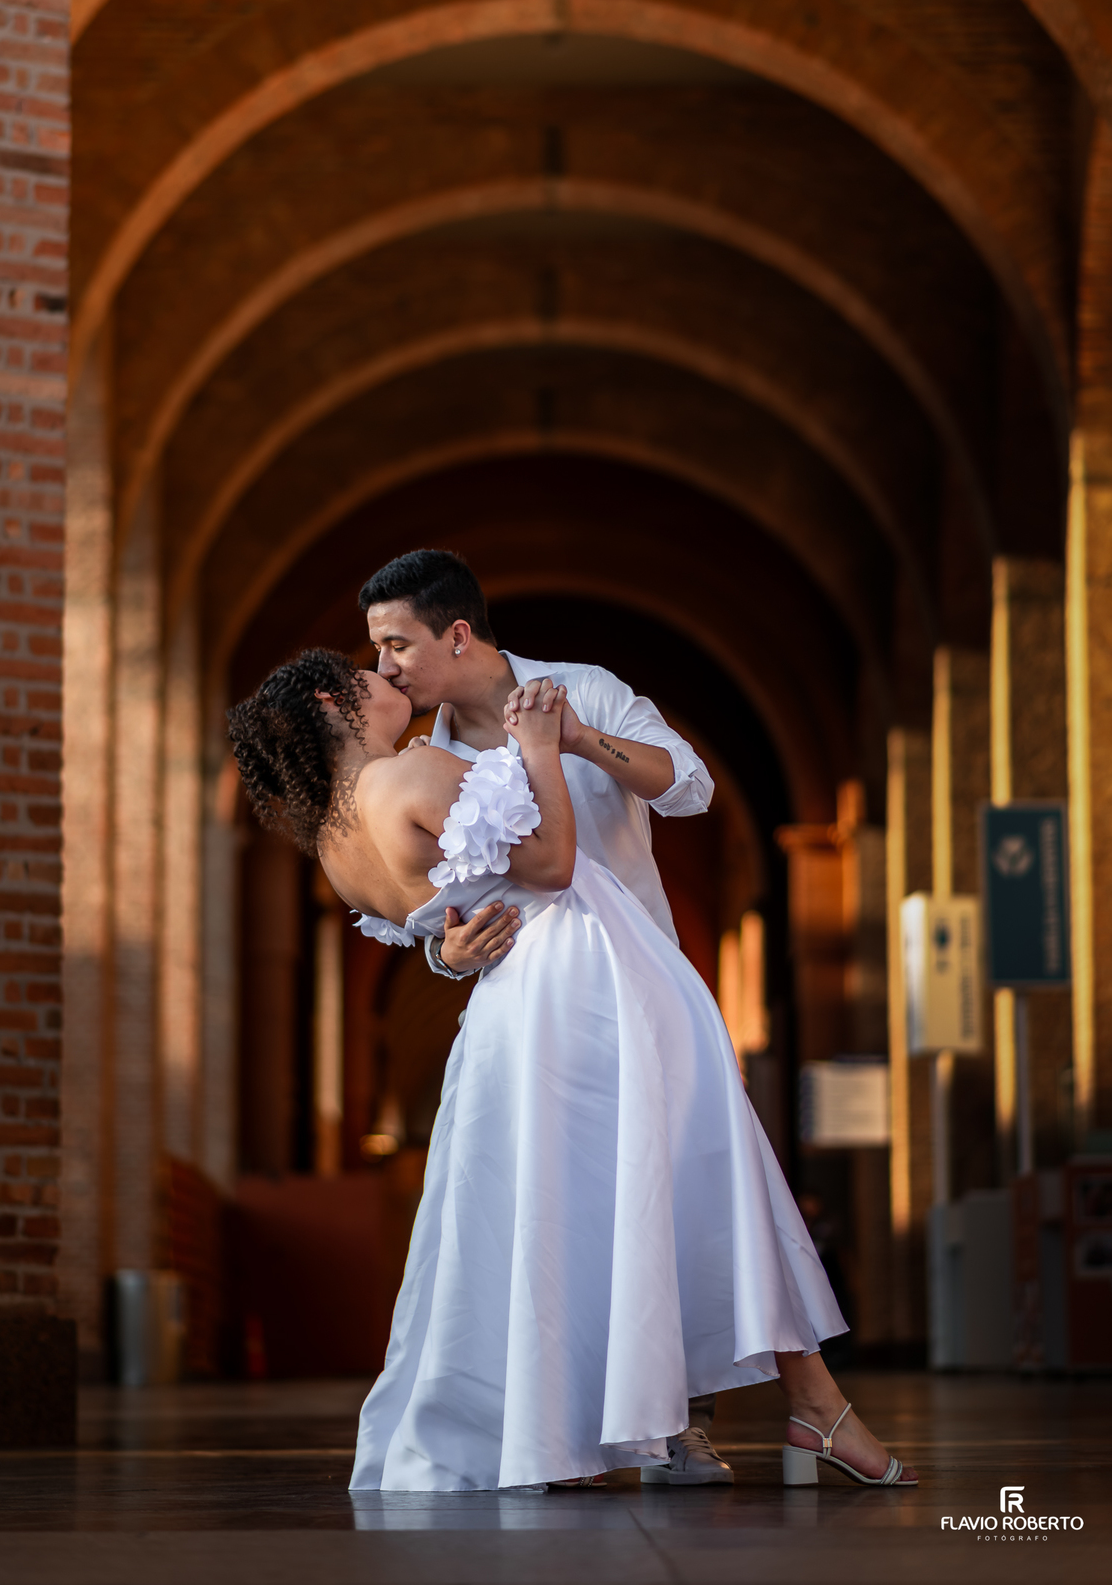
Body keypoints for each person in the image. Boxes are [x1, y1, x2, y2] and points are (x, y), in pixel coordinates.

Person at [227, 650, 916, 1495]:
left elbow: (436, 926)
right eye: (367, 669)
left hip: (509, 1015)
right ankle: (795, 1404)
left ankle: (594, 1425)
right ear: (337, 702)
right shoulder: (411, 775)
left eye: (393, 651)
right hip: (584, 981)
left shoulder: (335, 845)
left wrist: (446, 949)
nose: (387, 676)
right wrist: (543, 750)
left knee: (564, 1216)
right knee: (696, 1174)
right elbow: (551, 866)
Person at [358, 548, 727, 1481]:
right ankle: (568, 1425)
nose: (387, 666)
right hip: (532, 1018)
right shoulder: (425, 760)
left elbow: (691, 787)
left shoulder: (583, 687)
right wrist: (445, 954)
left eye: (397, 644)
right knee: (565, 1222)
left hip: (640, 993)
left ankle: (677, 1422)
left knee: (663, 1205)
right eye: (377, 651)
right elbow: (436, 909)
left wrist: (571, 741)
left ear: (458, 632)